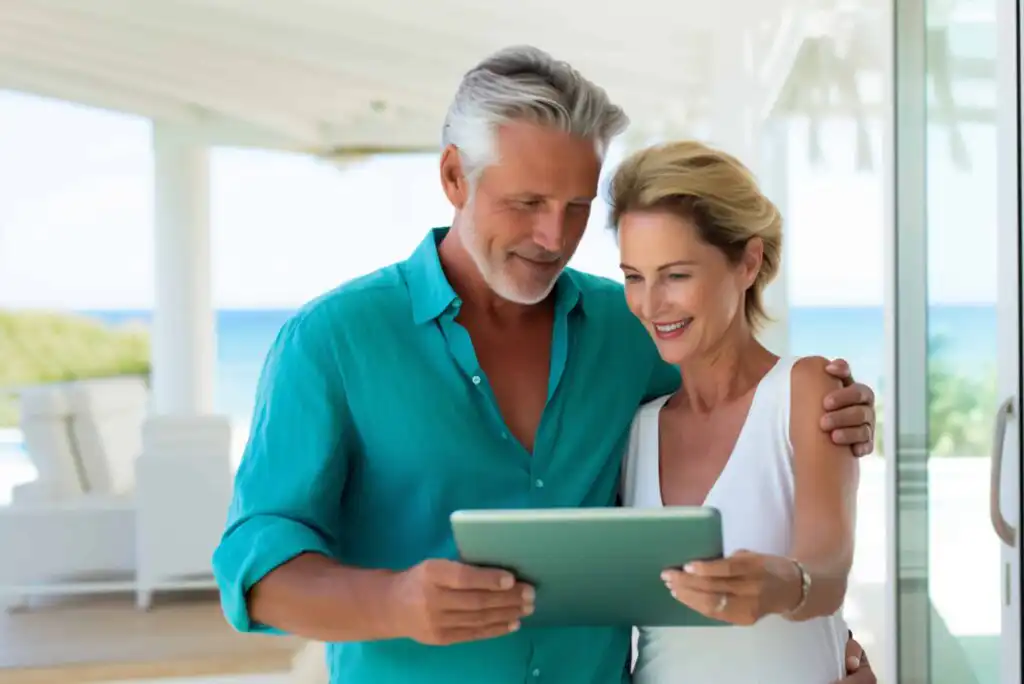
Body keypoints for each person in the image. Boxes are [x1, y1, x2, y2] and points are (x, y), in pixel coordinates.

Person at [212, 45, 878, 684]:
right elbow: (255, 564)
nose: (554, 238)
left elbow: (742, 412)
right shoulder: (333, 341)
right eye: (527, 203)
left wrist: (834, 408)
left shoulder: (630, 329)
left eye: (578, 208)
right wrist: (393, 603)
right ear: (453, 176)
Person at [613, 140, 858, 683]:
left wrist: (784, 585)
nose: (651, 305)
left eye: (676, 275)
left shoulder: (805, 391)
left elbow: (829, 571)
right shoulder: (635, 429)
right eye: (634, 276)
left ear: (747, 262)